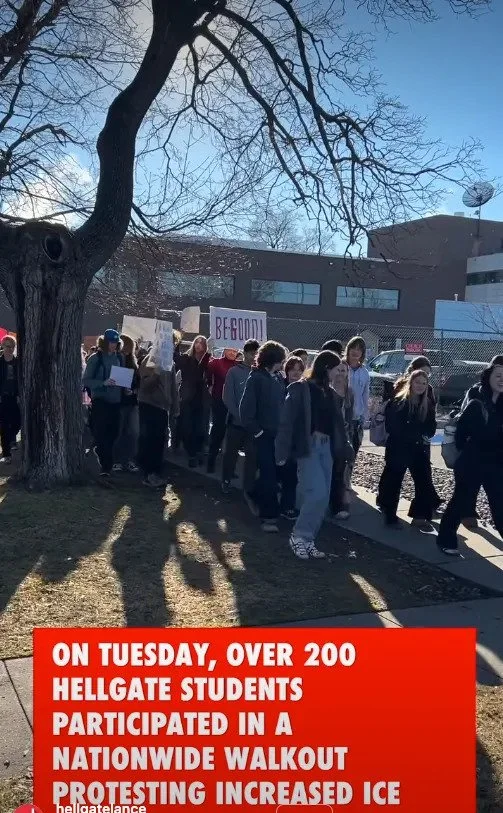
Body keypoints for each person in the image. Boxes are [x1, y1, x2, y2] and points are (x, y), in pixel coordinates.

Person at [275, 350, 353, 559]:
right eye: (337, 370)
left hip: (326, 448)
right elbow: (286, 421)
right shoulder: (301, 388)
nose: (340, 374)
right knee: (316, 493)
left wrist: (346, 446)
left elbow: (339, 424)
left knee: (323, 497)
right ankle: (298, 536)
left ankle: (308, 539)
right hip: (308, 447)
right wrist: (281, 451)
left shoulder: (329, 392)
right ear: (326, 368)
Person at [436, 358, 503, 556]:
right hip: (471, 462)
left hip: (496, 464)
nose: (502, 380)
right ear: (488, 378)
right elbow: (460, 436)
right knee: (461, 502)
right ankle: (445, 539)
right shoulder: (476, 404)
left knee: (500, 505)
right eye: (498, 376)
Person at [379, 355, 442, 515]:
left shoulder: (427, 399)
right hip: (400, 446)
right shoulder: (400, 399)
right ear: (412, 377)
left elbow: (430, 423)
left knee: (424, 479)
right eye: (419, 378)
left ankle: (421, 513)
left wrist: (426, 434)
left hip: (418, 446)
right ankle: (388, 510)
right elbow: (394, 425)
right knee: (394, 477)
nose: (422, 383)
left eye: (426, 378)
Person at [239, 340, 287, 532]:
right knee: (268, 474)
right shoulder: (256, 379)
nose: (283, 364)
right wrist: (258, 432)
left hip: (277, 436)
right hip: (263, 436)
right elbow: (245, 410)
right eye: (281, 360)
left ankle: (252, 493)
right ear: (272, 360)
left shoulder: (277, 379)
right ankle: (269, 516)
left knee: (274, 473)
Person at [137, 339, 179, 488]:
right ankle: (148, 474)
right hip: (149, 404)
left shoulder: (171, 362)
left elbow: (173, 387)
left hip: (163, 407)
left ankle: (155, 473)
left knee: (160, 440)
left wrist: (175, 407)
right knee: (150, 440)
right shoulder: (150, 360)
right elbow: (145, 385)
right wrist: (156, 373)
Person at [82, 329, 123, 477]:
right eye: (111, 342)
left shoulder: (119, 358)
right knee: (102, 434)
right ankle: (106, 467)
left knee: (114, 433)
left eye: (116, 342)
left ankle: (103, 458)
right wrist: (103, 383)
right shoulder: (95, 358)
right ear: (105, 342)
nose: (113, 345)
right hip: (101, 401)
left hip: (116, 402)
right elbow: (86, 380)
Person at [221, 339, 259, 496]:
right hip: (236, 423)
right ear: (245, 353)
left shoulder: (259, 373)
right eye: (251, 353)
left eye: (256, 353)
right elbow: (228, 397)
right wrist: (239, 415)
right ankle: (226, 480)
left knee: (252, 457)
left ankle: (247, 488)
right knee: (230, 454)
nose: (253, 357)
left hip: (252, 425)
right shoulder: (234, 372)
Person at [176, 335, 211, 467]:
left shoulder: (208, 360)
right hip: (187, 397)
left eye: (202, 343)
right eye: (196, 342)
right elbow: (176, 359)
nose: (198, 345)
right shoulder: (187, 359)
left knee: (200, 427)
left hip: (202, 398)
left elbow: (207, 373)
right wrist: (178, 341)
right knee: (187, 427)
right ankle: (191, 453)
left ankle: (198, 452)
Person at [206, 348, 238, 473]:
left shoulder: (238, 365)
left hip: (234, 404)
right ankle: (211, 462)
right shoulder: (216, 363)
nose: (232, 353)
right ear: (225, 349)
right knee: (217, 431)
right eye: (230, 350)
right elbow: (208, 374)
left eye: (235, 351)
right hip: (219, 401)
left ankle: (230, 468)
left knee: (232, 436)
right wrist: (210, 386)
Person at [330, 358, 354, 519]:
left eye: (343, 371)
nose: (340, 373)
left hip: (342, 436)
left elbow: (350, 416)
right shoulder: (326, 390)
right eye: (338, 370)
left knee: (339, 471)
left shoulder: (349, 392)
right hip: (327, 434)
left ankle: (338, 505)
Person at [112, 334, 140, 473]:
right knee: (119, 431)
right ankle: (116, 460)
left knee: (133, 432)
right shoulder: (116, 359)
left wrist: (133, 390)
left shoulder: (133, 363)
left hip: (132, 401)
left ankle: (129, 459)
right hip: (119, 402)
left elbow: (138, 381)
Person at [345, 336, 369, 465]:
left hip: (357, 417)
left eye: (359, 349)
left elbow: (365, 394)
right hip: (343, 415)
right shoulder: (342, 367)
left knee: (354, 450)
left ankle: (348, 479)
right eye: (353, 348)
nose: (356, 351)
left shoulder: (364, 372)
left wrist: (365, 415)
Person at [0, 335, 21, 464]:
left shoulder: (17, 362)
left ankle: (12, 438)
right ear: (2, 346)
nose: (10, 349)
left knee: (18, 421)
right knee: (4, 425)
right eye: (7, 346)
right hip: (2, 397)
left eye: (12, 346)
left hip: (15, 396)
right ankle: (7, 453)